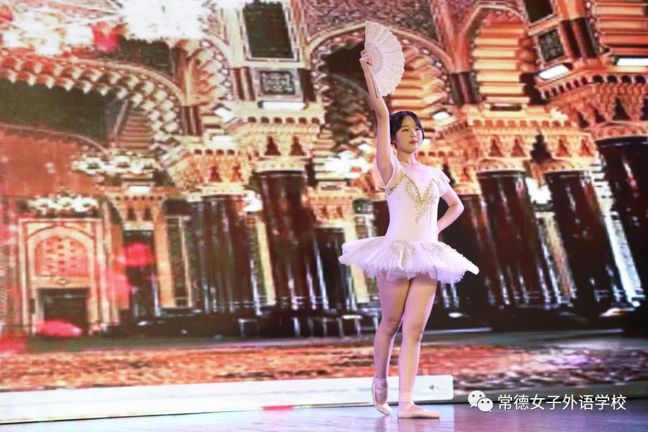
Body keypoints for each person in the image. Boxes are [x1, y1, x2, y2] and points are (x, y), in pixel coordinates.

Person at [338, 50, 479, 419]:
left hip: (428, 254)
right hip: (396, 253)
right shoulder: (390, 168)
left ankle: (407, 403)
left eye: (417, 129)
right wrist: (368, 71)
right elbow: (381, 114)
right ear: (394, 138)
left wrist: (435, 230)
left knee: (415, 330)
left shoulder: (434, 173)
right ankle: (379, 381)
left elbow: (456, 206)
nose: (413, 134)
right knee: (390, 323)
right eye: (405, 129)